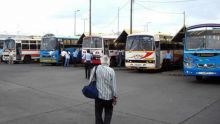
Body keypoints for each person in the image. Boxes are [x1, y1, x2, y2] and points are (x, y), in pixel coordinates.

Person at [89, 55, 117, 124]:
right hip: (109, 97)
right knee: (108, 113)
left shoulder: (95, 68)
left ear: (101, 61)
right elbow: (114, 85)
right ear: (108, 61)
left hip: (98, 96)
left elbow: (90, 81)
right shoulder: (111, 70)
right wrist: (115, 96)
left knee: (98, 114)